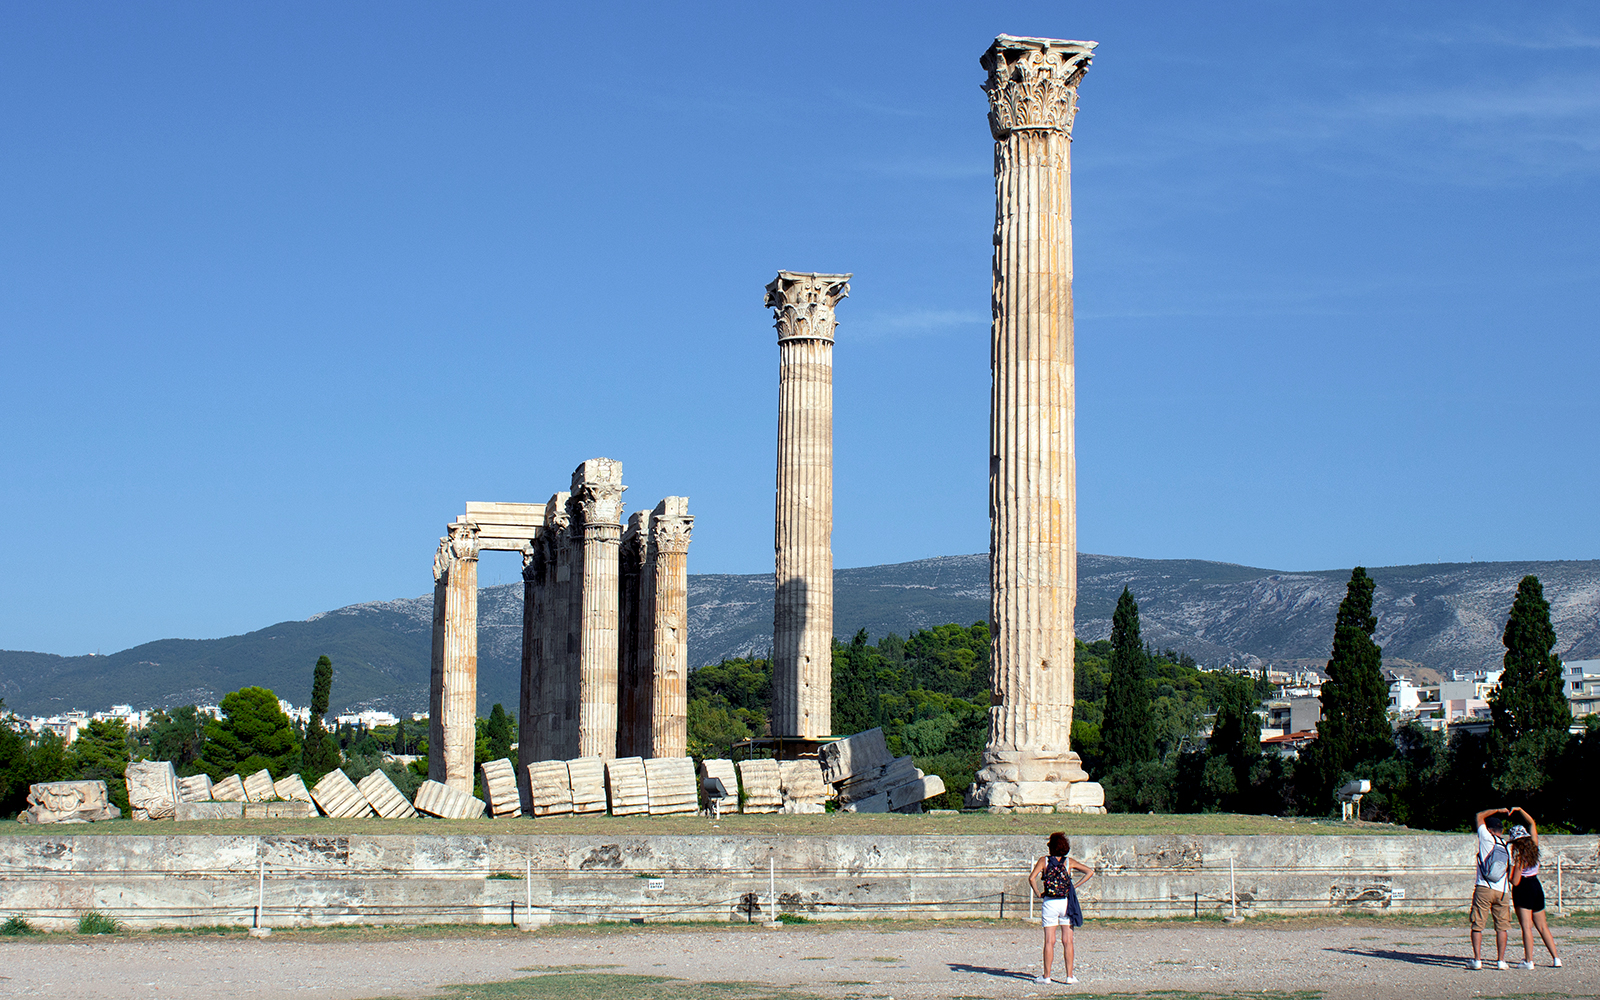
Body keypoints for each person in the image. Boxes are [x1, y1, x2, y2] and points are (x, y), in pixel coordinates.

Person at [1028, 831, 1094, 985]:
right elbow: (1089, 872)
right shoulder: (1069, 862)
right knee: (1068, 941)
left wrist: (1038, 893)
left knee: (1049, 941)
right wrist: (1074, 886)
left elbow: (1031, 878)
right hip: (1066, 902)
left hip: (1050, 902)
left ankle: (1047, 976)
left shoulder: (1043, 861)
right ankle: (1070, 976)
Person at [1507, 807, 1562, 969]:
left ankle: (1529, 960)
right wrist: (1520, 810)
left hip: (1524, 887)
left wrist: (1508, 871)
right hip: (1536, 885)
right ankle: (1556, 958)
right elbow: (1532, 822)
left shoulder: (1519, 856)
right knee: (1543, 926)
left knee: (1526, 927)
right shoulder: (1534, 848)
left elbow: (1515, 881)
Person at [1468, 806, 1514, 970]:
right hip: (1502, 890)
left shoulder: (1486, 839)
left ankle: (1477, 960)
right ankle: (1501, 961)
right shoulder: (1507, 846)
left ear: (1488, 829)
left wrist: (1498, 810)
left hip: (1484, 887)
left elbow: (1479, 815)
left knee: (1478, 924)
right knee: (1502, 927)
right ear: (1501, 830)